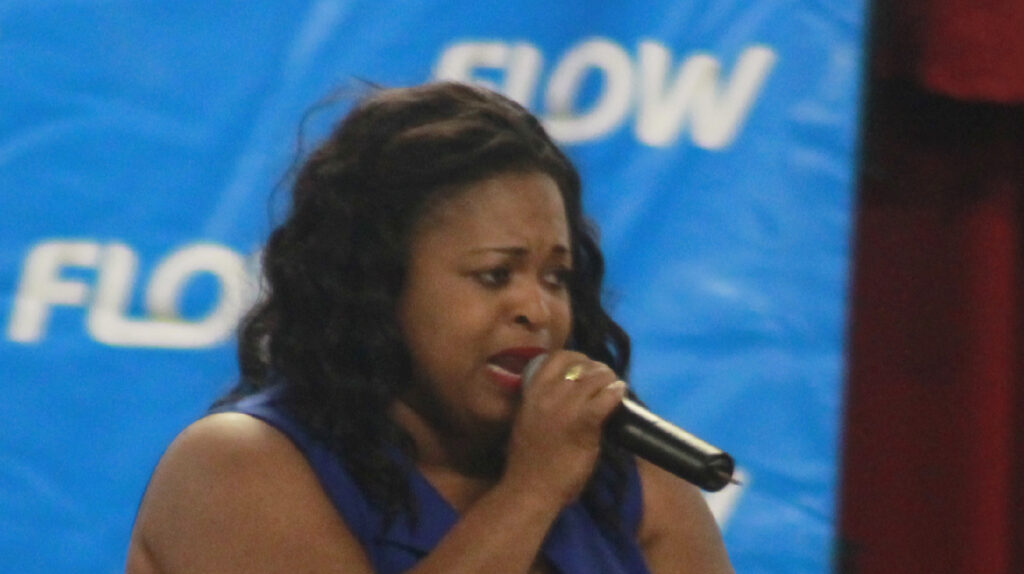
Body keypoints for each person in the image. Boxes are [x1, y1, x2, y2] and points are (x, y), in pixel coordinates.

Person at [125, 81, 733, 573]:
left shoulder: (632, 484)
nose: (537, 310)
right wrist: (531, 491)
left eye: (555, 277)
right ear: (378, 285)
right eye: (495, 275)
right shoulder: (237, 466)